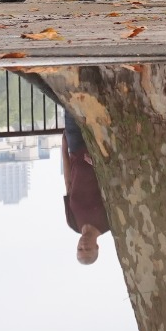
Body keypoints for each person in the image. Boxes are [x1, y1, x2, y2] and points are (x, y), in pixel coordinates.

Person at [62, 113, 110, 265]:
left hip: (75, 148)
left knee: (70, 102)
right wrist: (98, 163)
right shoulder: (109, 223)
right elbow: (112, 187)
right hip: (99, 149)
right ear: (97, 247)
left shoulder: (72, 222)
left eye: (80, 249)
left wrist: (64, 149)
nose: (83, 246)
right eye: (87, 250)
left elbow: (68, 183)